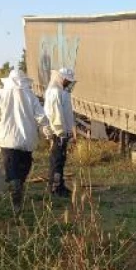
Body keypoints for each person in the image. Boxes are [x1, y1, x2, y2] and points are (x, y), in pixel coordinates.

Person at [0, 69, 51, 212]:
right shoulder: (30, 95)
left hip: (8, 139)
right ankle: (18, 185)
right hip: (27, 139)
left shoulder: (2, 95)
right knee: (24, 166)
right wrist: (47, 130)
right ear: (24, 82)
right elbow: (41, 116)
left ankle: (16, 190)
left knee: (11, 168)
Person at [44, 67, 76, 197]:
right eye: (67, 81)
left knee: (60, 159)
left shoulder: (60, 92)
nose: (68, 84)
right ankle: (56, 188)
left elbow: (66, 113)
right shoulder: (55, 93)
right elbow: (56, 115)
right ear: (61, 79)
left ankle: (59, 185)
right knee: (57, 160)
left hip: (61, 133)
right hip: (59, 133)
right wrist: (61, 132)